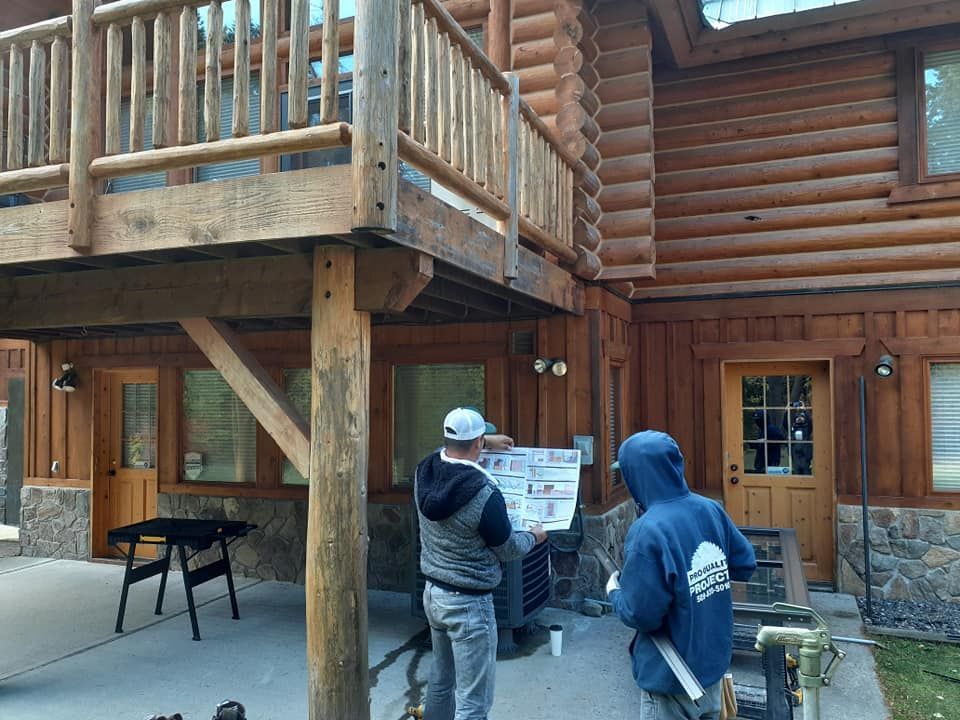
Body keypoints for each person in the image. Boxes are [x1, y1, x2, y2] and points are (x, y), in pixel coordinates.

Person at [606, 430, 757, 720]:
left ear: (638, 476)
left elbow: (641, 615)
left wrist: (614, 592)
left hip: (672, 677)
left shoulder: (648, 531)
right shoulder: (710, 508)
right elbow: (744, 563)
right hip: (711, 667)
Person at [415, 407, 548, 720]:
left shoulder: (426, 471)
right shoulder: (484, 494)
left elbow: (447, 451)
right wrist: (534, 537)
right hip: (469, 606)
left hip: (434, 595)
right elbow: (508, 548)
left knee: (441, 679)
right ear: (476, 444)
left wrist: (485, 440)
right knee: (473, 701)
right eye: (481, 441)